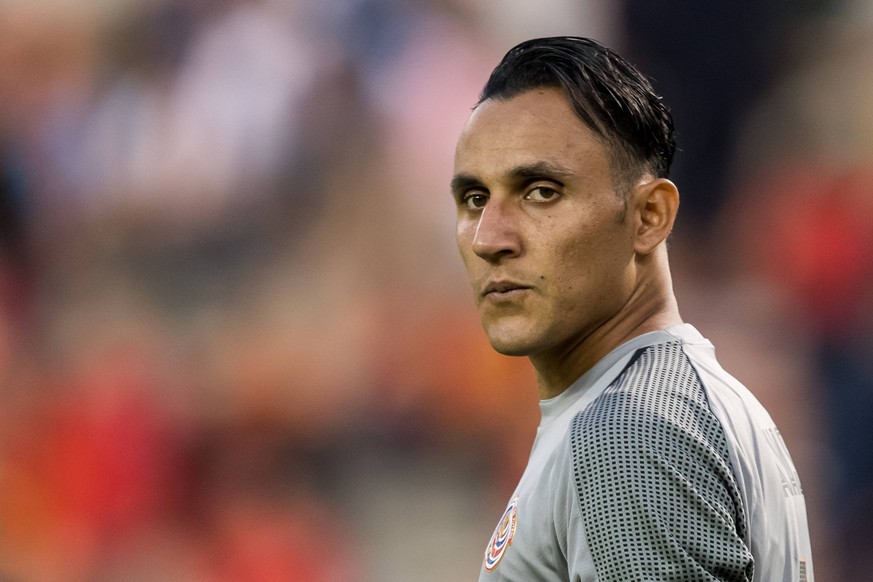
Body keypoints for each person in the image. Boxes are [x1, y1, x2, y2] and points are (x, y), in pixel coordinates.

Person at [451, 36, 814, 581]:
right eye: (475, 198)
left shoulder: (627, 433)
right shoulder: (688, 404)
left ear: (649, 216)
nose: (489, 237)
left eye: (541, 191)